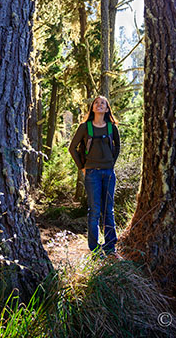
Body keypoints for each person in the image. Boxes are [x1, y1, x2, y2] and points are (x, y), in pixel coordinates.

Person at [69, 95, 120, 256]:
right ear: (92, 108)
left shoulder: (112, 127)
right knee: (94, 211)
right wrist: (82, 167)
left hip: (109, 173)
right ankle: (95, 249)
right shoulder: (85, 127)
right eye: (96, 103)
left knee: (108, 210)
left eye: (103, 103)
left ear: (107, 108)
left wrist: (111, 163)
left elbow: (117, 147)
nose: (99, 105)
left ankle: (110, 247)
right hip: (92, 173)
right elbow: (72, 148)